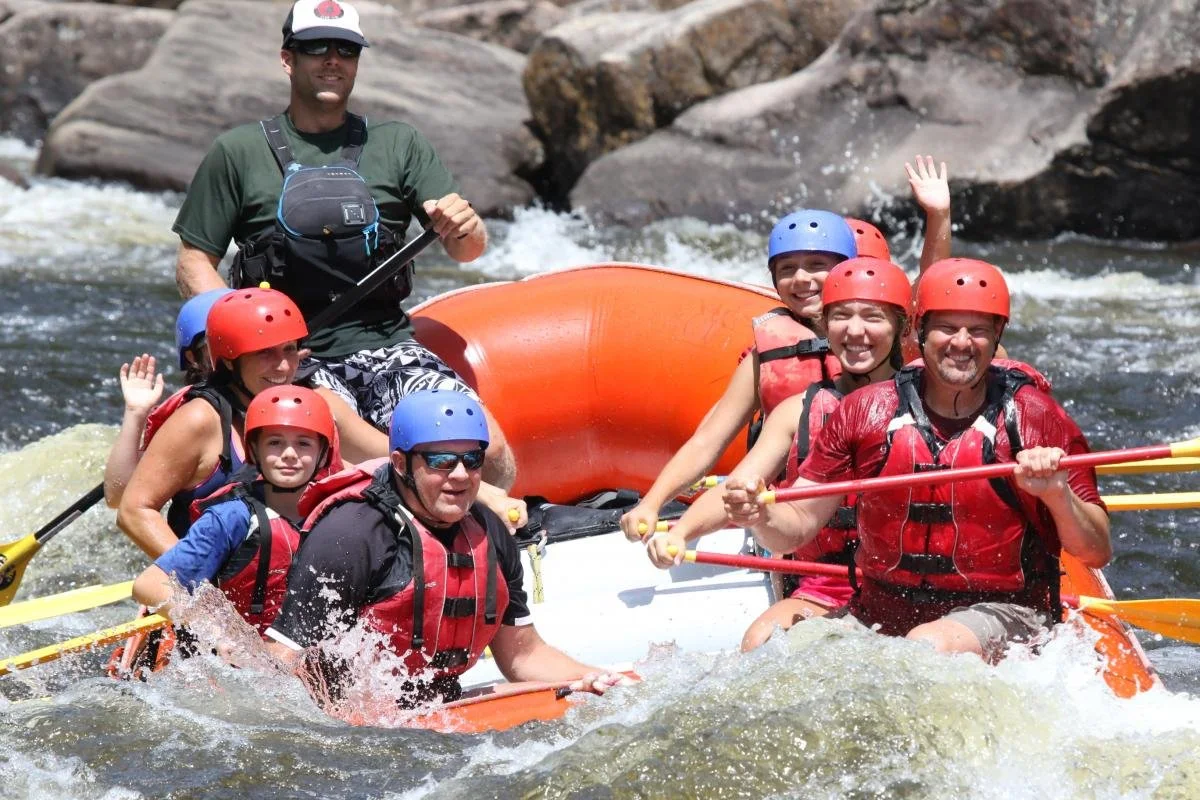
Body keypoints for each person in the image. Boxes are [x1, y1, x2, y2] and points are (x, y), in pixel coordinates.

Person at [169, 0, 515, 490]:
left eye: (346, 49)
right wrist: (227, 335)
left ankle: (500, 540)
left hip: (389, 348)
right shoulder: (237, 152)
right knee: (348, 428)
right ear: (288, 58)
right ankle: (431, 491)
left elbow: (468, 250)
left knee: (490, 446)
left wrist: (465, 226)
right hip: (292, 358)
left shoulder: (399, 144)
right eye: (316, 47)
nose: (332, 59)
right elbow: (194, 260)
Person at [723, 259, 1111, 660]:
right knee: (770, 650)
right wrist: (761, 516)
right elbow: (797, 526)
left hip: (1005, 611)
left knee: (928, 646)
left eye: (977, 330)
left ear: (997, 336)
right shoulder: (865, 411)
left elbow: (1096, 550)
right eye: (946, 327)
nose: (961, 343)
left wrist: (1057, 495)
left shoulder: (1034, 416)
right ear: (919, 331)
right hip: (881, 611)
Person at [264, 389, 627, 708]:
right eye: (440, 460)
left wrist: (597, 679)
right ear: (401, 464)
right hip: (346, 717)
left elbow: (523, 655)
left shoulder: (490, 533)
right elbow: (282, 662)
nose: (459, 474)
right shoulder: (352, 536)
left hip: (439, 705)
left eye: (472, 459)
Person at [645, 258, 912, 651]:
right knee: (761, 642)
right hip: (829, 580)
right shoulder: (800, 409)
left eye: (872, 318)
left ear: (900, 327)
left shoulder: (926, 399)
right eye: (840, 317)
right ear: (825, 323)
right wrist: (681, 531)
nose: (855, 332)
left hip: (910, 579)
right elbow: (738, 486)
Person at [619, 209, 855, 543]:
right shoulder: (766, 356)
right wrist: (652, 503)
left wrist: (938, 215)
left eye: (817, 264)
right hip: (791, 518)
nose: (801, 279)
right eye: (787, 269)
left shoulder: (873, 341)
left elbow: (925, 310)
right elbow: (707, 442)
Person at [132, 385, 342, 635]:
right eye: (275, 442)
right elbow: (149, 584)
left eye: (303, 444)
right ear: (254, 450)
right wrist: (220, 635)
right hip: (236, 654)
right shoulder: (232, 517)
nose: (289, 454)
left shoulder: (340, 517)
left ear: (322, 455)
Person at [103, 289, 231, 509]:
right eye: (217, 342)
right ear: (193, 357)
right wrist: (135, 414)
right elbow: (118, 497)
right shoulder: (187, 416)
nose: (232, 351)